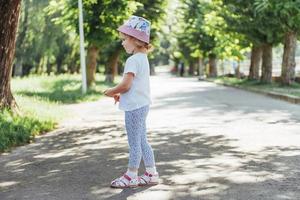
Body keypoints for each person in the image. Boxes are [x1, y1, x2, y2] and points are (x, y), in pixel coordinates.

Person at [103, 16, 159, 188]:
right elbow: (135, 86)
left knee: (134, 143)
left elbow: (126, 85)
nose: (122, 43)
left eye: (125, 39)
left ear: (135, 40)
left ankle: (131, 175)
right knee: (142, 140)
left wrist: (112, 91)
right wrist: (122, 95)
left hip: (134, 108)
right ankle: (151, 173)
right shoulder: (143, 59)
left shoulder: (132, 60)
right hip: (142, 105)